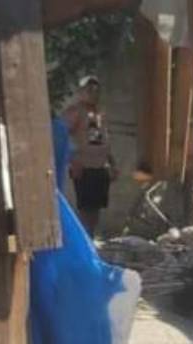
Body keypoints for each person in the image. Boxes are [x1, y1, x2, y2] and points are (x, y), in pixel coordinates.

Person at [62, 75, 118, 237]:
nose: (93, 93)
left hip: (100, 167)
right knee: (85, 208)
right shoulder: (75, 112)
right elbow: (62, 135)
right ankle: (84, 239)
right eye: (89, 90)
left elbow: (103, 140)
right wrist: (73, 161)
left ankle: (90, 238)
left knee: (96, 208)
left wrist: (112, 163)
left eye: (96, 90)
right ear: (81, 92)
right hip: (84, 167)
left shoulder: (99, 113)